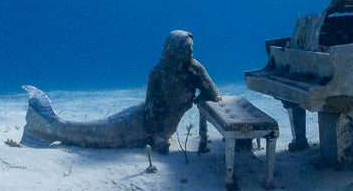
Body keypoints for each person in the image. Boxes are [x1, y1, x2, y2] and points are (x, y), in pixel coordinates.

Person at [21, 30, 220, 151]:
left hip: (159, 125)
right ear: (172, 48)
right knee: (101, 131)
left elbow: (213, 93)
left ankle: (46, 126)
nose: (190, 52)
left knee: (102, 131)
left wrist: (193, 100)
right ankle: (47, 128)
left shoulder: (194, 68)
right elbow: (150, 105)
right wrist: (156, 133)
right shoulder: (159, 71)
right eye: (185, 47)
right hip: (148, 121)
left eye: (190, 48)